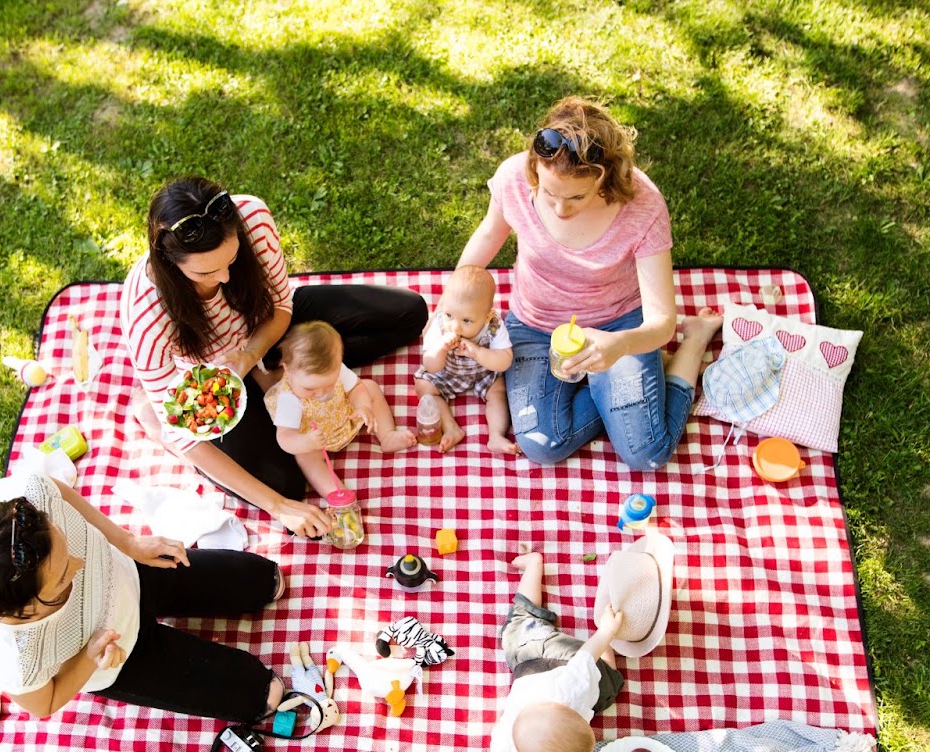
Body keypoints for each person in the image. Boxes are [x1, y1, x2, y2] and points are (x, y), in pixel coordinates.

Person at [123, 177, 427, 536]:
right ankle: (151, 418)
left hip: (271, 333)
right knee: (287, 486)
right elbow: (187, 436)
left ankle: (299, 374)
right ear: (169, 262)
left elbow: (282, 305)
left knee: (411, 313)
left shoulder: (252, 216)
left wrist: (254, 355)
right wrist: (279, 507)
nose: (223, 278)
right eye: (204, 273)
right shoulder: (146, 315)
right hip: (222, 382)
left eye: (233, 261)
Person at [458, 97, 701, 470]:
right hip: (535, 327)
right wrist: (451, 303)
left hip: (618, 327)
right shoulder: (514, 179)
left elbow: (662, 321)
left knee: (645, 454)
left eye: (576, 197)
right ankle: (619, 389)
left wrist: (621, 346)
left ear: (605, 176)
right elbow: (488, 237)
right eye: (548, 192)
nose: (560, 209)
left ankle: (693, 345)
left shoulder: (643, 205)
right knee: (542, 444)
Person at [0, 469, 287, 721]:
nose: (79, 563)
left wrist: (128, 542)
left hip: (132, 572)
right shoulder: (14, 657)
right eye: (64, 576)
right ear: (26, 610)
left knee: (265, 578)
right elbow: (44, 704)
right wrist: (88, 657)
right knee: (262, 694)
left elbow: (59, 491)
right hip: (119, 656)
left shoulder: (28, 498)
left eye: (69, 545)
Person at [492, 551, 625, 752]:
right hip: (535, 656)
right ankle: (533, 565)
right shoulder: (506, 745)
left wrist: (606, 632)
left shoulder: (571, 688)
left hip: (552, 654)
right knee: (519, 623)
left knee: (610, 685)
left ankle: (534, 564)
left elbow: (587, 655)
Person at [267, 321, 415, 498]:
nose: (321, 393)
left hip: (342, 414)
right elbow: (285, 437)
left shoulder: (335, 370)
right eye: (310, 389)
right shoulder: (288, 398)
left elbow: (355, 388)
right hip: (314, 436)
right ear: (287, 370)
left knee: (370, 387)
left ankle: (387, 434)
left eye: (329, 384)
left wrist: (363, 407)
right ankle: (337, 493)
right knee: (305, 457)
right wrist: (305, 442)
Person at [417, 265, 518, 454]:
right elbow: (430, 366)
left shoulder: (494, 326)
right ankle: (451, 428)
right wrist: (440, 348)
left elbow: (505, 360)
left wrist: (478, 352)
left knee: (498, 391)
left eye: (466, 321)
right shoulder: (440, 326)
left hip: (483, 373)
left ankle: (496, 435)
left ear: (487, 316)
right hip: (447, 373)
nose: (454, 326)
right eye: (449, 315)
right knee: (424, 387)